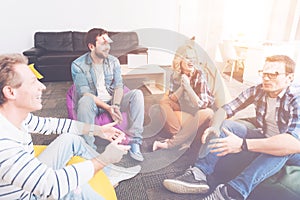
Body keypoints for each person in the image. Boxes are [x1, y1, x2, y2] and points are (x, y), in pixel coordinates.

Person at [0, 53, 141, 199]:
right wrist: (103, 159)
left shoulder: (17, 118)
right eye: (33, 82)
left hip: (26, 182)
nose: (42, 87)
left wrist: (97, 130)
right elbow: (52, 185)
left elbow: (54, 124)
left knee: (69, 138)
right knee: (74, 189)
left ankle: (109, 175)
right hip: (27, 196)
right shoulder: (3, 144)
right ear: (10, 92)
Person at [163, 55, 300, 200]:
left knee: (279, 148)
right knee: (226, 125)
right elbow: (225, 109)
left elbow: (293, 143)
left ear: (289, 78)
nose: (266, 78)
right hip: (265, 135)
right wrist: (215, 127)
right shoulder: (258, 90)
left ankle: (231, 193)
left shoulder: (296, 99)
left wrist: (242, 144)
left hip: (294, 149)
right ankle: (199, 174)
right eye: (264, 73)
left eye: (273, 74)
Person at [71, 28, 145, 161]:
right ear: (92, 46)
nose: (108, 47)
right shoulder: (78, 65)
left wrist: (115, 105)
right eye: (103, 43)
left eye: (108, 43)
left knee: (137, 94)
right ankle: (89, 149)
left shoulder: (113, 61)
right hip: (94, 103)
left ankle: (135, 142)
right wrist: (108, 108)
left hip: (111, 101)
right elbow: (85, 93)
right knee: (84, 101)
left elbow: (118, 85)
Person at [153, 38, 214, 151]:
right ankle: (181, 137)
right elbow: (172, 98)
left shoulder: (199, 74)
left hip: (198, 112)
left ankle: (172, 142)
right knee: (163, 102)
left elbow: (203, 104)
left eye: (193, 59)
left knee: (208, 112)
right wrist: (182, 86)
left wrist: (188, 88)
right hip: (185, 109)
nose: (191, 61)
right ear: (179, 60)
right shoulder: (175, 74)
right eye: (187, 58)